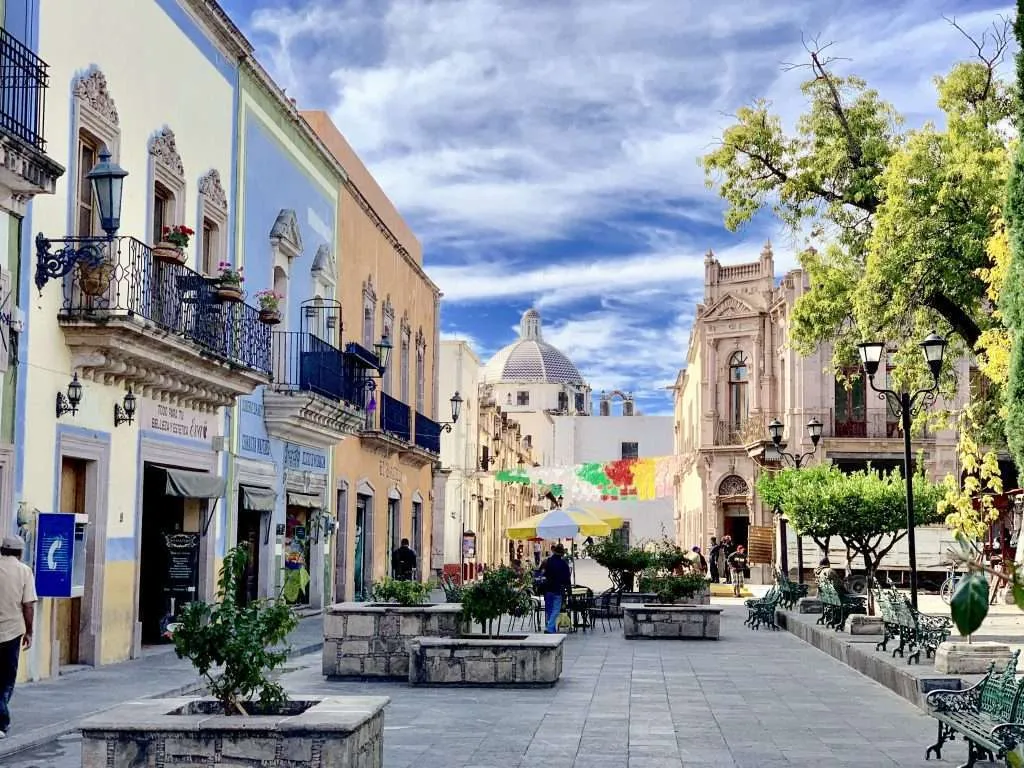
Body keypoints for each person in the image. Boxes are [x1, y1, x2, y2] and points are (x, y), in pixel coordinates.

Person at [0, 536, 36, 739]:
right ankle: (1, 722)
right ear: (20, 553)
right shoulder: (24, 571)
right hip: (12, 632)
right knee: (6, 679)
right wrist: (29, 632)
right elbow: (28, 605)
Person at [539, 544, 572, 634]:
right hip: (558, 589)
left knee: (549, 609)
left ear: (554, 552)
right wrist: (569, 593)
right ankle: (550, 628)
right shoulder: (564, 564)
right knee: (556, 610)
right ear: (562, 554)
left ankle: (551, 628)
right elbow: (567, 580)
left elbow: (542, 573)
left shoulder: (547, 561)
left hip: (548, 589)